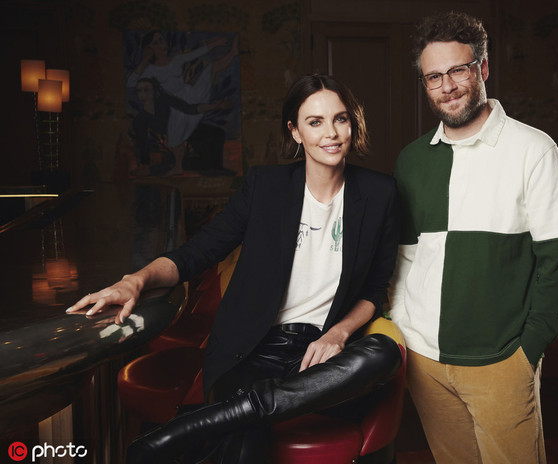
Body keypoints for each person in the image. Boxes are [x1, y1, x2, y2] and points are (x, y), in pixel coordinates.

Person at [67, 74, 401, 463]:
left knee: (383, 353)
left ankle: (193, 424)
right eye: (315, 122)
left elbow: (377, 288)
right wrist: (134, 281)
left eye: (340, 119)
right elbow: (199, 252)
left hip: (320, 359)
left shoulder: (379, 193)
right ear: (294, 132)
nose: (332, 133)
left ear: (352, 122)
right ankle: (240, 410)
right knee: (245, 441)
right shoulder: (266, 187)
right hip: (253, 352)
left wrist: (339, 334)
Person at [389, 11, 558, 464]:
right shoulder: (412, 161)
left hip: (501, 361)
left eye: (458, 70)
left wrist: (526, 352)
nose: (447, 86)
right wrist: (403, 331)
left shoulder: (533, 150)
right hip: (424, 360)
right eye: (434, 76)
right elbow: (402, 257)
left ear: (483, 68)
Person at [126, 31, 239, 175]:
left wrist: (215, 44)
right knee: (177, 135)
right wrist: (144, 60)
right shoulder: (150, 70)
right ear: (149, 48)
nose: (161, 44)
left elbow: (195, 54)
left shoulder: (176, 60)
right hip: (177, 105)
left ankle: (233, 53)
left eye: (161, 39)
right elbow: (130, 83)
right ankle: (178, 166)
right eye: (155, 43)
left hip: (191, 95)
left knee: (211, 68)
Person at [131, 78, 232, 177]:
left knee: (218, 133)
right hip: (177, 138)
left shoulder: (164, 100)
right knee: (204, 158)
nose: (143, 94)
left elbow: (190, 109)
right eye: (139, 90)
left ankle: (217, 169)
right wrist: (145, 165)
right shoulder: (140, 120)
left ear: (153, 91)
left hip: (187, 129)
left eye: (146, 89)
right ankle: (210, 169)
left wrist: (213, 106)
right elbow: (142, 143)